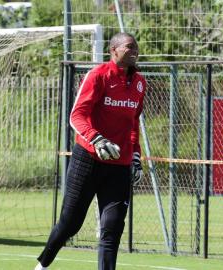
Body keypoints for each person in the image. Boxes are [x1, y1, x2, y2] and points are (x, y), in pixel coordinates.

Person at [34, 32, 146, 270]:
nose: (135, 50)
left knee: (112, 228)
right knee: (70, 223)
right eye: (129, 47)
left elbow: (133, 124)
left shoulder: (139, 83)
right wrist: (96, 139)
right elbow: (77, 115)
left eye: (136, 47)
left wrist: (135, 156)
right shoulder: (98, 76)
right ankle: (42, 265)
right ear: (113, 50)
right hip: (88, 160)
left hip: (119, 166)